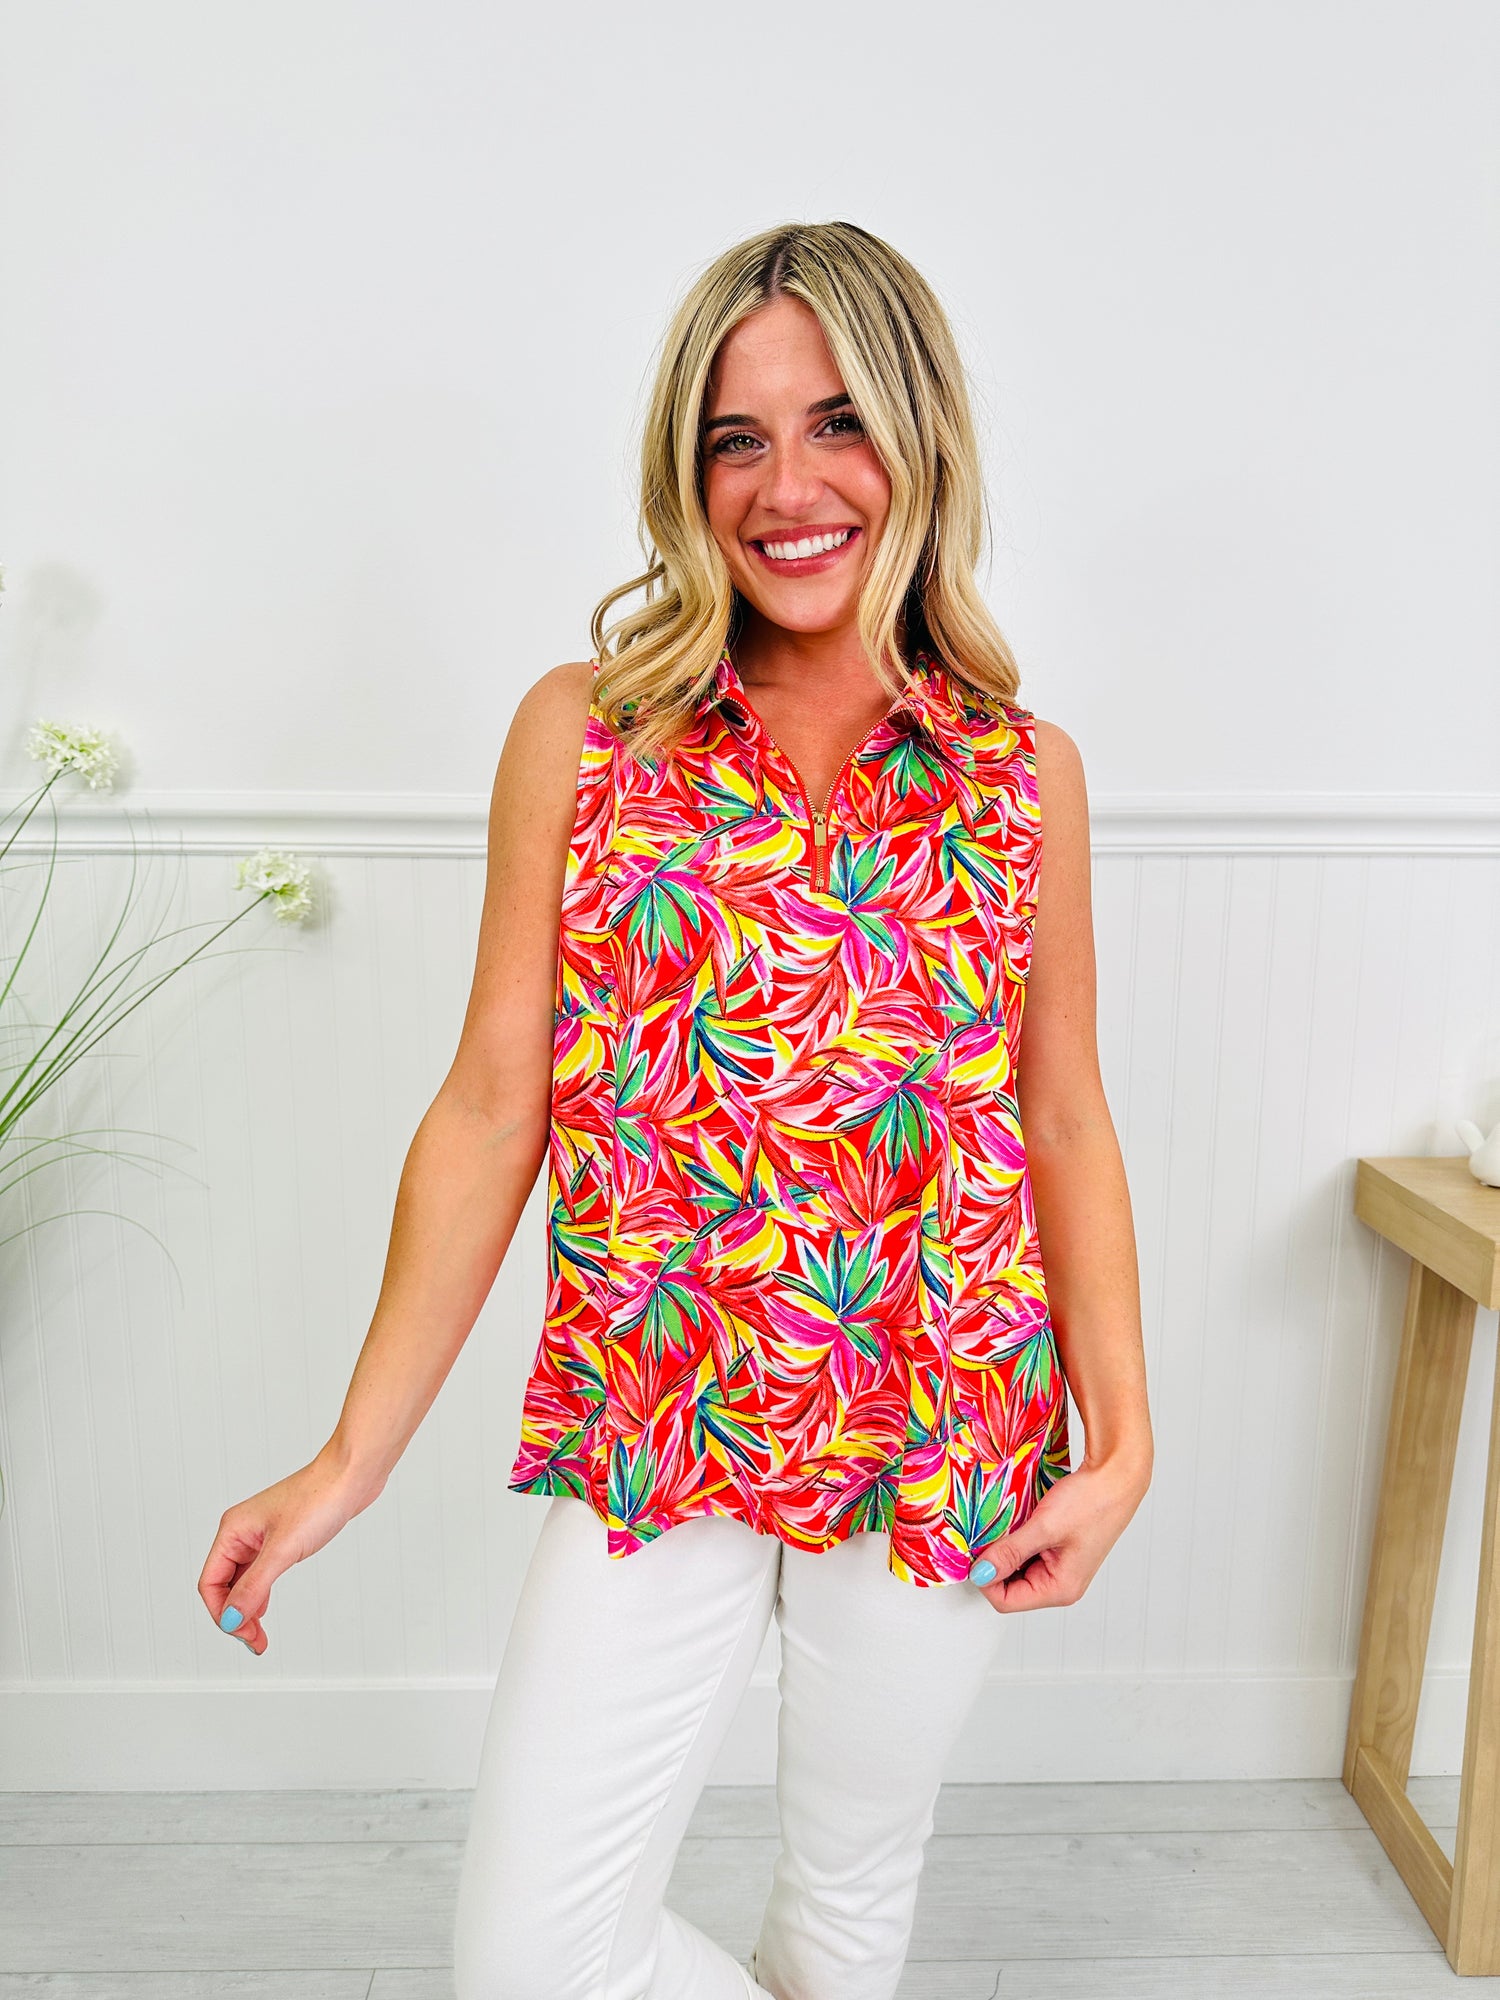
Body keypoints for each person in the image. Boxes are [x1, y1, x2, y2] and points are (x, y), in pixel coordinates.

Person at [198, 219, 1152, 2000]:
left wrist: (1126, 1442)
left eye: (838, 422)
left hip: (944, 1422)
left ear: (923, 438)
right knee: (532, 1962)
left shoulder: (1023, 775)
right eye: (738, 440)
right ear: (685, 474)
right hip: (663, 1414)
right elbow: (491, 1112)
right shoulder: (591, 734)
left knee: (847, 1916)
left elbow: (1065, 1120)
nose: (789, 488)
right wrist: (348, 1462)